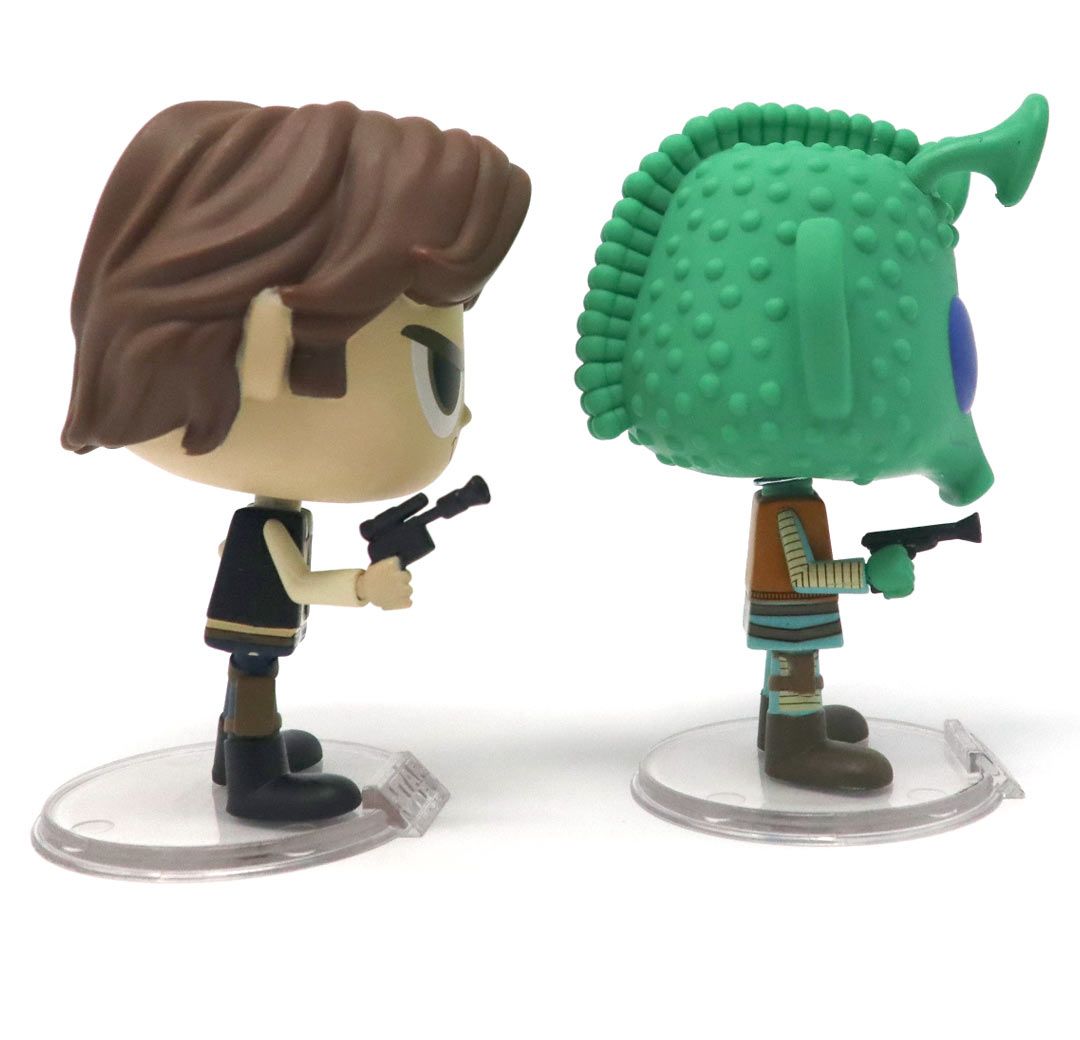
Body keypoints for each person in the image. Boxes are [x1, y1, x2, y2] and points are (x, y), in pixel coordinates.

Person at [63, 100, 530, 821]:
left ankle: (237, 753)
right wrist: (365, 588)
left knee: (251, 676)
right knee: (255, 676)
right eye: (441, 378)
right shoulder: (268, 529)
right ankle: (255, 777)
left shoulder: (264, 523)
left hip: (251, 611)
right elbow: (301, 582)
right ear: (270, 350)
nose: (461, 415)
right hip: (254, 627)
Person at [576, 95, 1046, 791]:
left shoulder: (786, 501)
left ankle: (784, 723)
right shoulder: (788, 510)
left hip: (785, 606)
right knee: (796, 658)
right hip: (789, 609)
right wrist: (870, 575)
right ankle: (795, 747)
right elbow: (803, 575)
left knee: (792, 659)